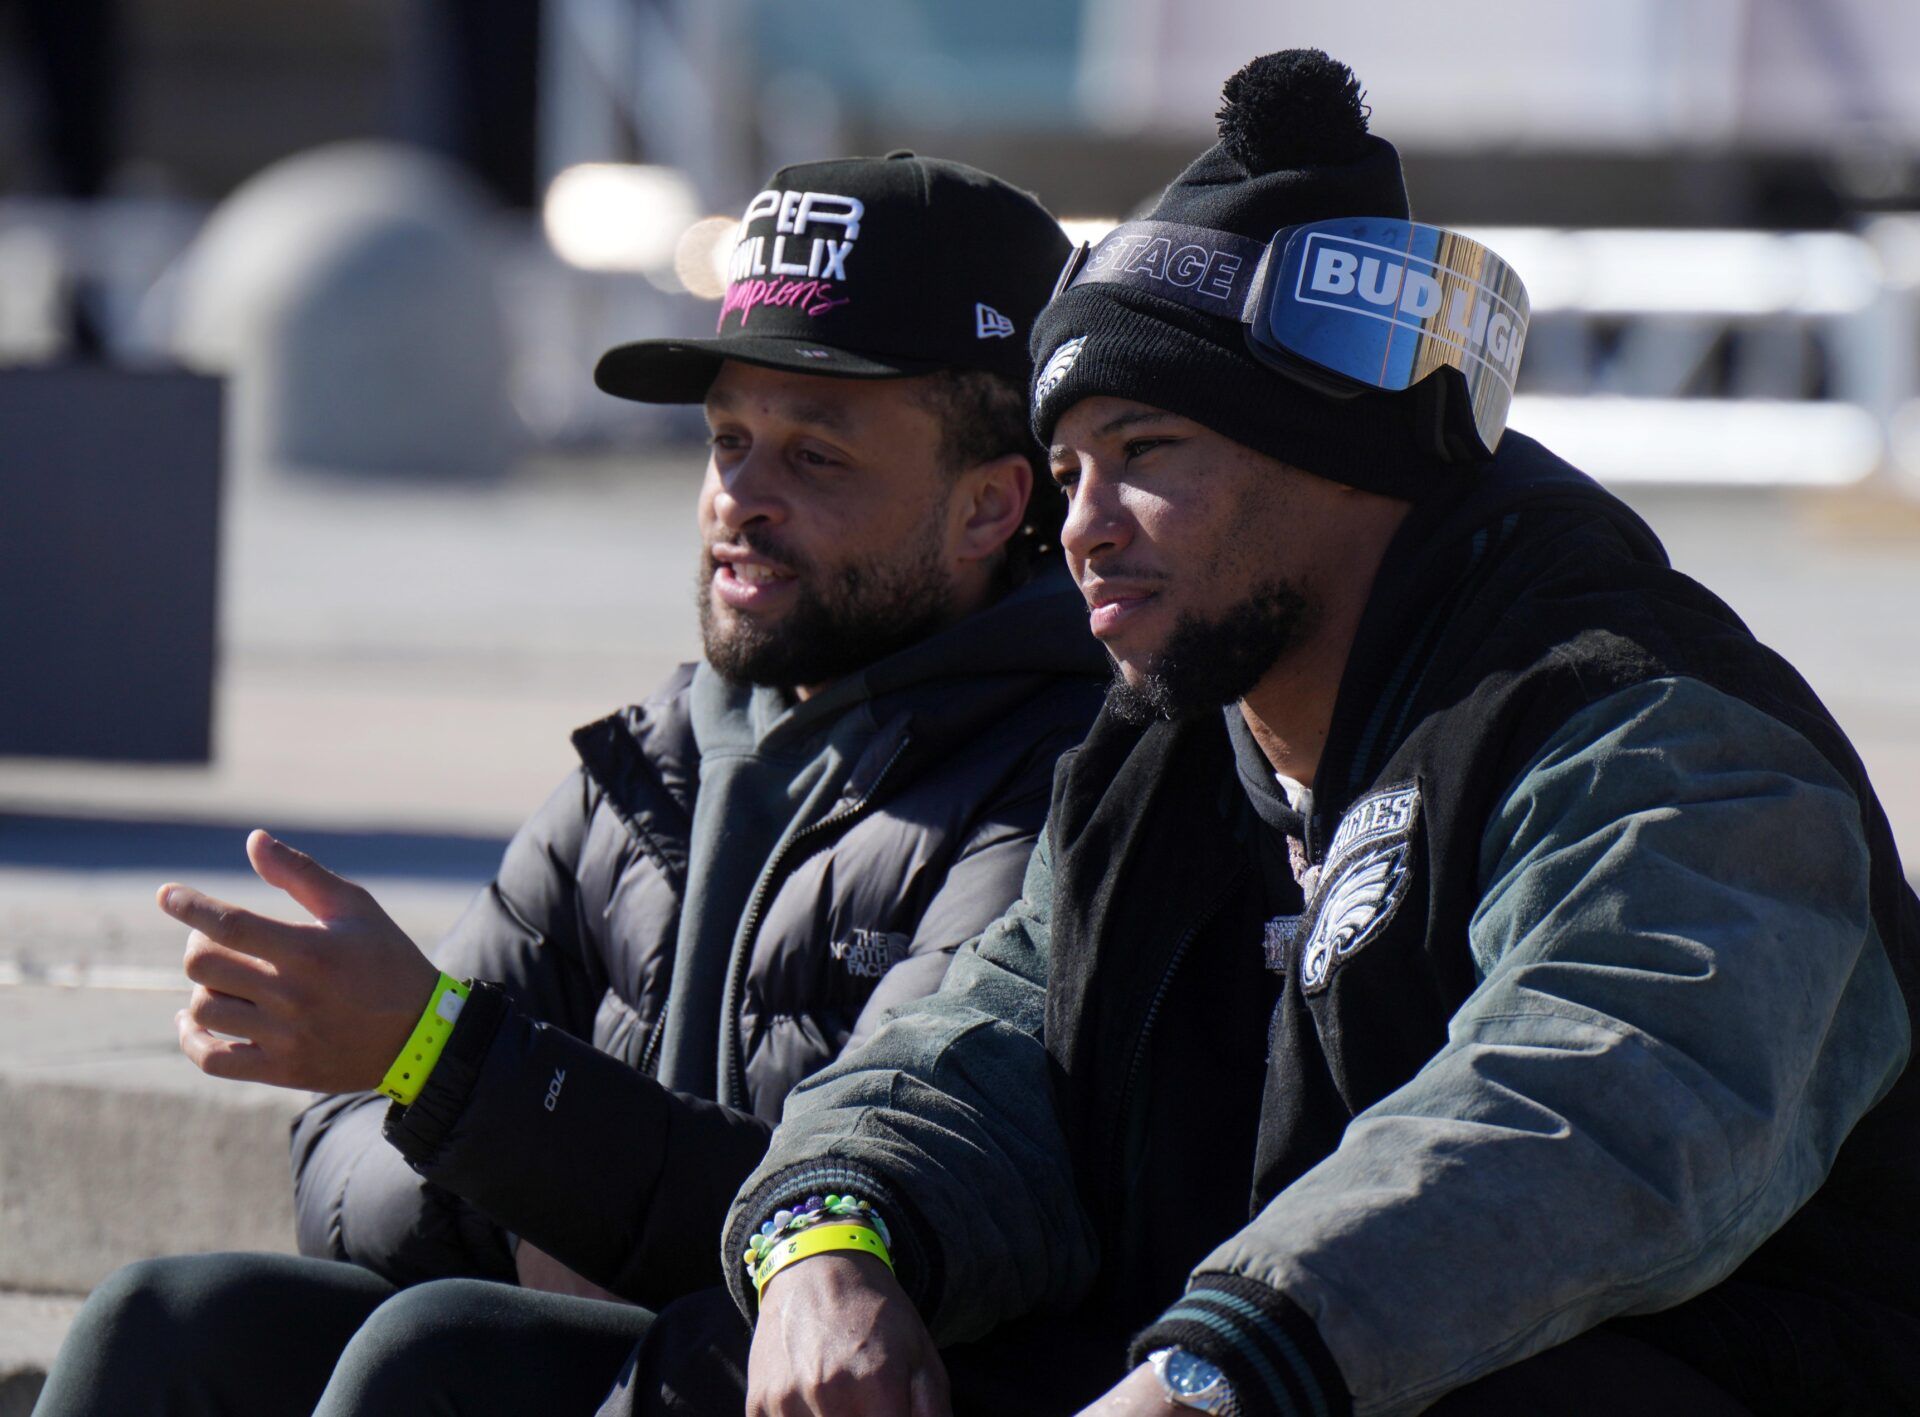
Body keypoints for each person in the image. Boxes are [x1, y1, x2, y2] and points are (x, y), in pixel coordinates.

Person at [628, 52, 1920, 1417]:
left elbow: (1596, 1108)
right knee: (515, 1357)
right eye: (1068, 472)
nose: (1081, 525)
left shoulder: (1650, 731)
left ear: (1341, 462)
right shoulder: (1164, 754)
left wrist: (1220, 1366)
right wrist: (831, 1239)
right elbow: (986, 1044)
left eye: (1149, 453)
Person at [33, 153, 1105, 1416]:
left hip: (847, 1380)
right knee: (165, 1323)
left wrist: (456, 1078)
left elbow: (874, 1218)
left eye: (815, 458)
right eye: (727, 441)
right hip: (640, 1340)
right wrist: (510, 1157)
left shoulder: (1061, 779)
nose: (738, 501)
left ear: (989, 508)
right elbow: (340, 1167)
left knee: (439, 1359)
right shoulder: (653, 757)